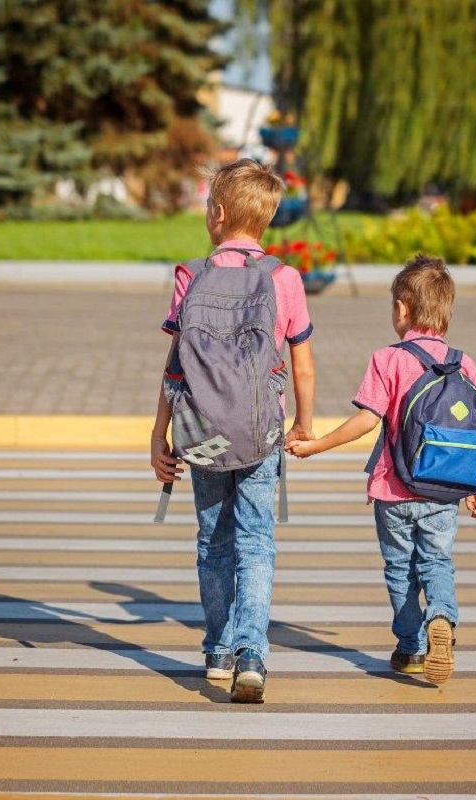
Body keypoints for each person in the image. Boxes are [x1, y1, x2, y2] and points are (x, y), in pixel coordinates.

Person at [150, 158, 316, 703]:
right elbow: (303, 365)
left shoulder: (190, 276)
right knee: (256, 542)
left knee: (212, 542)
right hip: (261, 431)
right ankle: (252, 654)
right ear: (265, 220)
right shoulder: (284, 278)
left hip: (202, 434)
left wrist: (159, 436)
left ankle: (217, 652)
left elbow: (175, 365)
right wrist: (304, 424)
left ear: (217, 214)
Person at [286, 253, 476, 685]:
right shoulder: (464, 363)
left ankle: (412, 648)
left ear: (402, 309)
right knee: (437, 561)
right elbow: (467, 431)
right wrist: (475, 485)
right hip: (445, 488)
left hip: (394, 490)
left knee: (399, 568)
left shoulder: (388, 359)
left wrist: (316, 445)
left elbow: (367, 420)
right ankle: (443, 618)